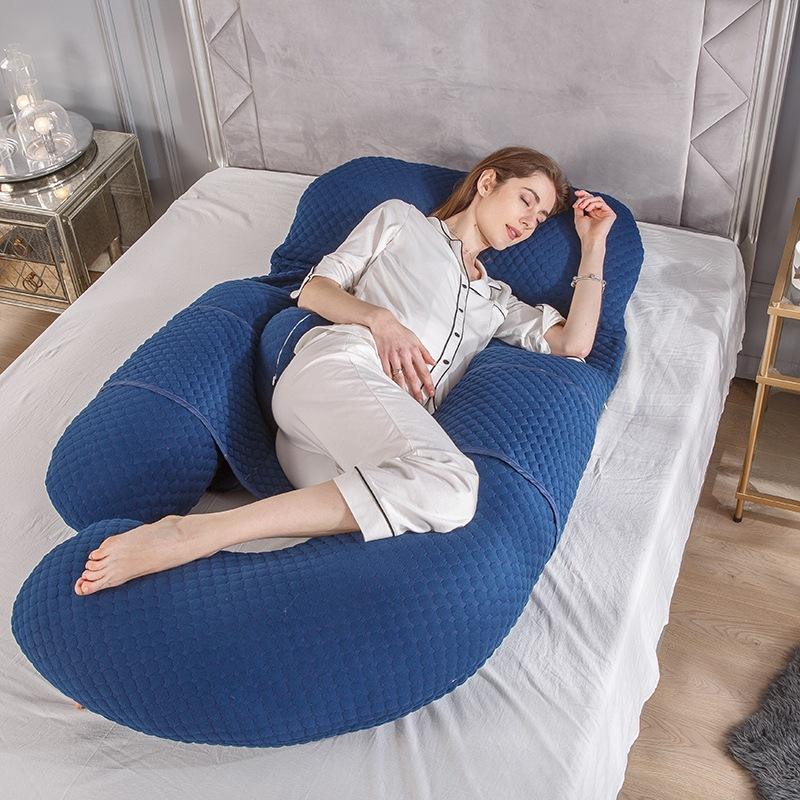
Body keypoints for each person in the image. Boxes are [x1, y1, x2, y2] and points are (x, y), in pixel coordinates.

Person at [74, 146, 616, 597]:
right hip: (337, 370)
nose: (528, 223)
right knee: (453, 485)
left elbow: (574, 344)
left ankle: (167, 594)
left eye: (540, 219)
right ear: (488, 182)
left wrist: (594, 244)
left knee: (402, 536)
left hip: (355, 445)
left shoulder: (497, 300)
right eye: (526, 200)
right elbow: (314, 288)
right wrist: (380, 320)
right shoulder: (402, 221)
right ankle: (194, 533)